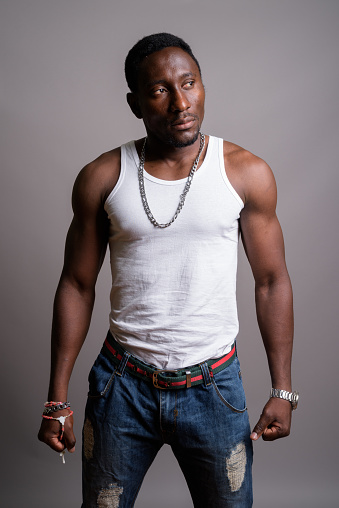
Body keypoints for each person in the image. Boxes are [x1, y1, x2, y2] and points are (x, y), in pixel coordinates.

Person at [38, 33, 297, 507]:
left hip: (214, 387)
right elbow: (76, 285)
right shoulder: (102, 176)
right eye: (160, 90)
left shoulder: (245, 172)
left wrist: (284, 389)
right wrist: (57, 398)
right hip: (122, 388)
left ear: (202, 85)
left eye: (189, 83)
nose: (181, 102)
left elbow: (271, 281)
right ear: (136, 103)